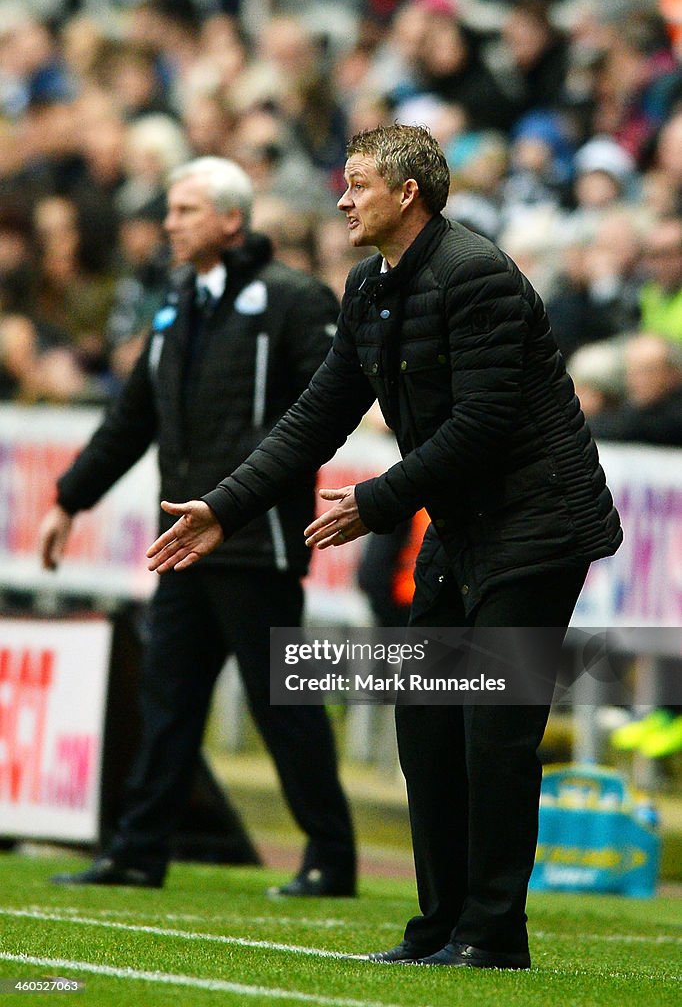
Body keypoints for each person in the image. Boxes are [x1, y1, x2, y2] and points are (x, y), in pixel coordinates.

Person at [145, 125, 622, 969]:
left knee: (494, 732)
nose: (341, 199)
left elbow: (481, 424)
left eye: (358, 182)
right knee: (425, 727)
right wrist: (227, 507)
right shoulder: (369, 287)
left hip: (539, 524)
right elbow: (315, 415)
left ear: (409, 193)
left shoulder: (475, 274)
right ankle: (440, 925)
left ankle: (491, 934)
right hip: (463, 525)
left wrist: (374, 502)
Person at [38, 156, 356, 897]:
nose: (169, 223)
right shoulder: (175, 301)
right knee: (168, 701)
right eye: (170, 211)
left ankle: (331, 858)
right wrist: (68, 499)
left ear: (230, 219)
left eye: (185, 211)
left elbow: (327, 410)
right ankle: (138, 851)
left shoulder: (292, 301)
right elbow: (131, 420)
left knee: (283, 705)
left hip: (257, 541)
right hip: (181, 541)